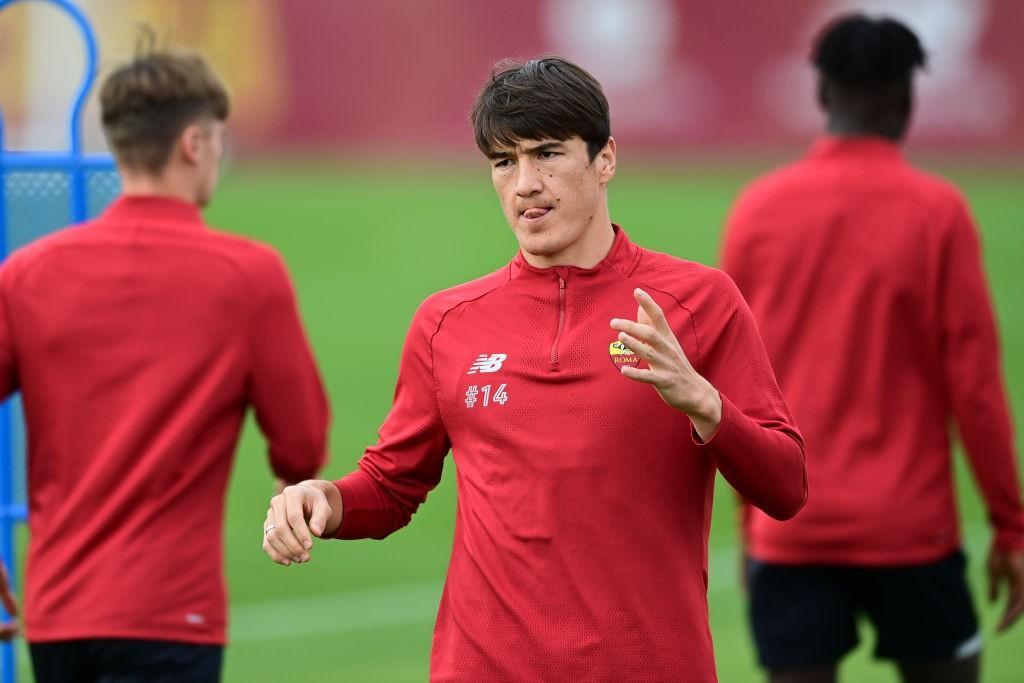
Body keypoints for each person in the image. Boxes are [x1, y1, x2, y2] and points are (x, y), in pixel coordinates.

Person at [263, 56, 806, 682]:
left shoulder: (698, 302)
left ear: (605, 160)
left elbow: (785, 488)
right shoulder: (448, 321)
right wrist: (322, 502)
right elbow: (391, 486)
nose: (525, 183)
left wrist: (706, 406)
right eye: (504, 161)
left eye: (547, 154)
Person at [0, 40, 330, 682]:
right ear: (192, 144)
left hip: (59, 616)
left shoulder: (29, 273)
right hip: (171, 614)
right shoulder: (247, 276)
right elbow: (301, 442)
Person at [721, 14, 1024, 683]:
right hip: (909, 530)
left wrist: (752, 521)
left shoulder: (759, 209)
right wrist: (1009, 524)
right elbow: (974, 388)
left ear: (823, 94)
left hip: (792, 527)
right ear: (907, 98)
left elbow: (733, 383)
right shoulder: (937, 212)